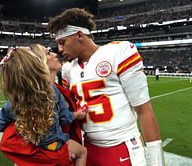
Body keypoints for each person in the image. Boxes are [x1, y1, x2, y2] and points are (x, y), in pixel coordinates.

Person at [47, 8, 165, 166]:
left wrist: (157, 161)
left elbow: (144, 109)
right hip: (88, 149)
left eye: (62, 42)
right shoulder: (68, 70)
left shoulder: (119, 52)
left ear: (80, 35)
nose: (60, 49)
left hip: (122, 146)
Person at [0, 45, 87, 166]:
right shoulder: (53, 91)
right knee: (83, 152)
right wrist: (62, 152)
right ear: (38, 64)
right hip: (56, 151)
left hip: (57, 151)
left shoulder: (15, 102)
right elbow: (13, 144)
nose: (55, 54)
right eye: (48, 53)